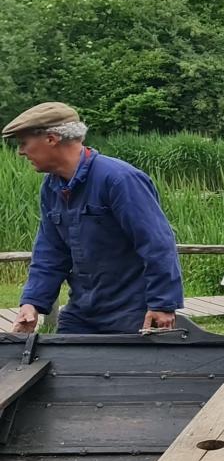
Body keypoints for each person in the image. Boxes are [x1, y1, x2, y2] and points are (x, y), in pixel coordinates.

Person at [6, 102, 183, 335]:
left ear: (51, 139)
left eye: (24, 143)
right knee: (62, 365)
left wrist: (162, 303)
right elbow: (50, 251)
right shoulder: (51, 187)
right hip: (82, 311)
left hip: (132, 312)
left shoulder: (120, 179)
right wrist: (32, 302)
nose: (21, 152)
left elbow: (157, 243)